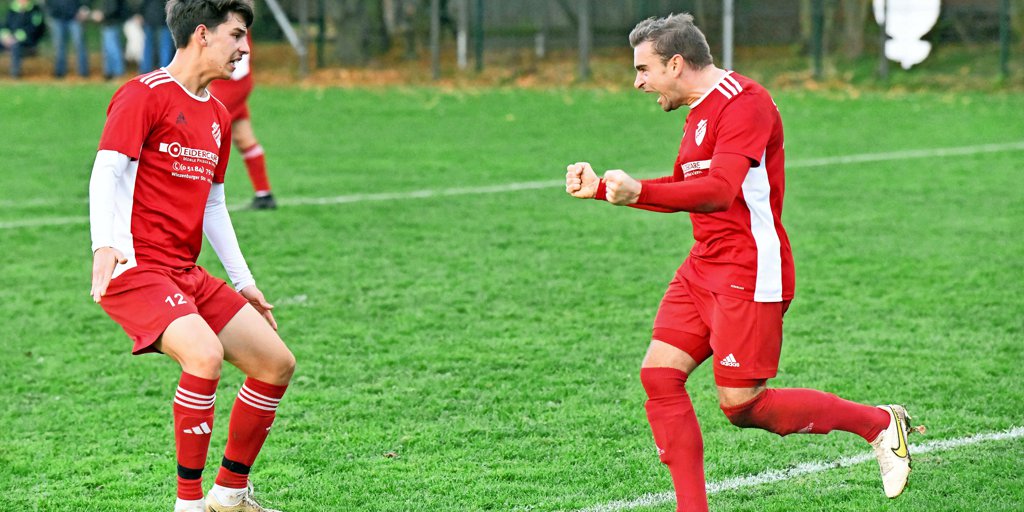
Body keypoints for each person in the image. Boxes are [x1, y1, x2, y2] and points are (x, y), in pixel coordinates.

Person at [564, 13, 923, 511]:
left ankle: (879, 424)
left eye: (644, 69)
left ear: (675, 64)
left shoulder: (745, 103)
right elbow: (688, 186)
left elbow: (718, 191)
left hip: (748, 270)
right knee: (660, 376)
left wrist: (638, 191)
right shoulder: (699, 109)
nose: (638, 82)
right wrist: (606, 188)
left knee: (743, 406)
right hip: (702, 266)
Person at [88, 1, 294, 511]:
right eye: (237, 35)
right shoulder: (144, 94)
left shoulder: (218, 114)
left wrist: (243, 282)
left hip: (184, 271)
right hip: (136, 267)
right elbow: (106, 171)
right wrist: (104, 244)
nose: (244, 48)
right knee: (204, 356)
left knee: (275, 363)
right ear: (202, 34)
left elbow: (214, 205)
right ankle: (188, 504)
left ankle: (229, 495)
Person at [207, 33, 276, 210]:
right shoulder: (232, 22)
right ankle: (264, 195)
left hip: (231, 83)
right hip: (234, 82)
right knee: (243, 137)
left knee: (203, 134)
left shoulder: (228, 22)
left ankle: (195, 194)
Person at [0, 0, 46, 78]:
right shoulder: (12, 9)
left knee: (16, 45)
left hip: (28, 41)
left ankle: (15, 73)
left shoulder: (35, 10)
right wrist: (5, 36)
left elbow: (35, 28)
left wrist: (18, 36)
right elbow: (5, 25)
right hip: (10, 39)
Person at [45, 0, 90, 78]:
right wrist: (51, 12)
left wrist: (84, 8)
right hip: (57, 17)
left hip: (75, 17)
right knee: (59, 46)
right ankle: (60, 71)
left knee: (79, 44)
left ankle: (83, 72)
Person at [91, 0, 128, 79]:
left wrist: (102, 14)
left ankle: (118, 72)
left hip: (112, 23)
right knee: (108, 50)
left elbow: (113, 8)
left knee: (113, 49)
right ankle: (109, 73)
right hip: (108, 23)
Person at [140, 0, 175, 72]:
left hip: (150, 16)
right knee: (165, 46)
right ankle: (164, 71)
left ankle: (145, 70)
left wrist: (141, 13)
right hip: (164, 18)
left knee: (149, 46)